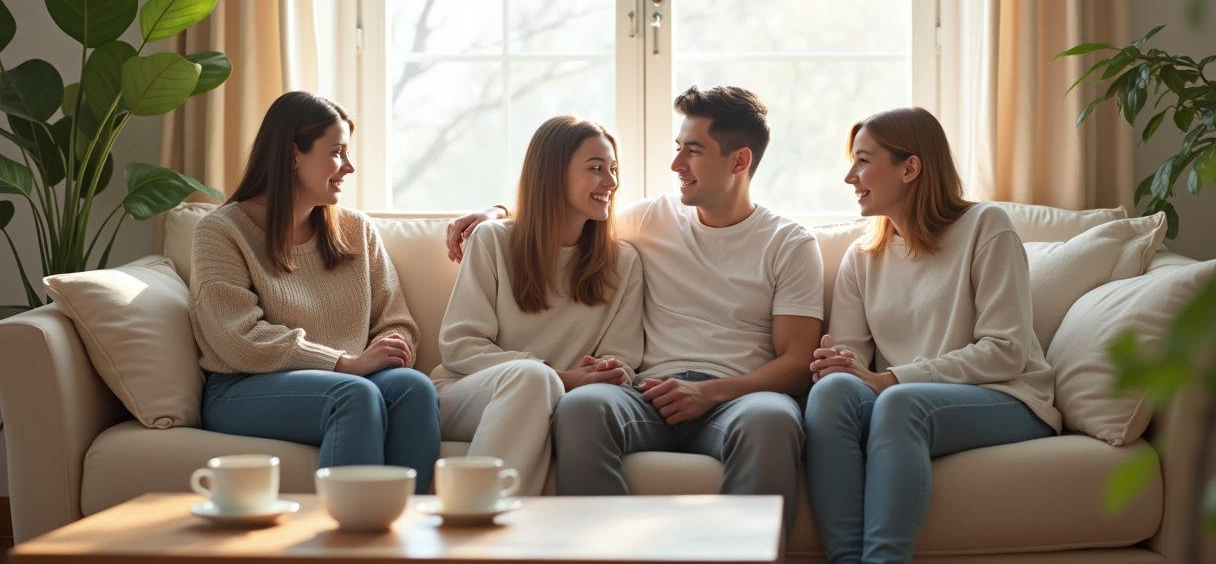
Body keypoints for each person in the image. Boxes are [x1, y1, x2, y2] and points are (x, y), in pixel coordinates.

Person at [447, 86, 824, 530]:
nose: (676, 164)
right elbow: (564, 212)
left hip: (739, 400)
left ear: (739, 161)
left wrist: (711, 393)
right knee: (582, 408)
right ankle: (596, 552)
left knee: (774, 419)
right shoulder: (650, 219)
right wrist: (496, 212)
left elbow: (798, 363)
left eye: (693, 151)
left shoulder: (790, 243)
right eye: (678, 148)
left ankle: (746, 554)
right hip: (646, 395)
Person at [804, 107, 1060, 564]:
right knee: (831, 394)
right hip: (902, 397)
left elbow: (1006, 351)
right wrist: (836, 367)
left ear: (910, 168)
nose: (850, 177)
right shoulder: (862, 257)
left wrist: (892, 379)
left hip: (1006, 395)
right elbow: (851, 363)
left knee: (901, 403)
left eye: (863, 161)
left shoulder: (986, 227)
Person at [189, 91, 441, 491]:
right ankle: (349, 532)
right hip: (242, 387)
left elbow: (395, 320)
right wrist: (343, 364)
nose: (349, 167)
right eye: (337, 153)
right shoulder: (221, 232)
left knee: (414, 388)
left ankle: (410, 527)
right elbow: (238, 338)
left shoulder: (357, 230)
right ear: (294, 154)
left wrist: (389, 349)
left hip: (352, 378)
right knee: (352, 395)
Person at [432, 116, 644, 496]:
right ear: (552, 174)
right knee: (533, 380)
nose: (611, 182)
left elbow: (623, 360)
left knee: (536, 383)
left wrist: (601, 374)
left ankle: (477, 518)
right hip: (467, 393)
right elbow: (460, 346)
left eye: (613, 169)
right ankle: (475, 514)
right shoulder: (493, 240)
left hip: (559, 400)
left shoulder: (624, 262)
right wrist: (558, 376)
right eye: (596, 168)